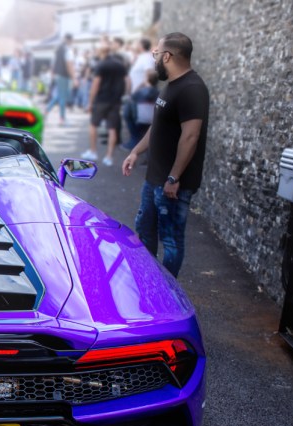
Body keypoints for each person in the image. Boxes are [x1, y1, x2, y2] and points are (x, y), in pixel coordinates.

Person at [121, 32, 210, 278]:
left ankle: (166, 291)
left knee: (171, 240)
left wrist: (174, 176)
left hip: (172, 184)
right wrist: (136, 151)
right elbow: (158, 126)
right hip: (155, 178)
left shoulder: (193, 89)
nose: (154, 59)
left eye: (156, 54)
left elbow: (191, 136)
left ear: (167, 56)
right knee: (145, 229)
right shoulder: (171, 85)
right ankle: (150, 280)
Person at [81, 43, 128, 166]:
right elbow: (128, 81)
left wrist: (90, 102)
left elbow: (95, 84)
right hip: (115, 100)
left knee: (93, 125)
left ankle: (93, 151)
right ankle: (109, 157)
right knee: (112, 129)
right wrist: (124, 94)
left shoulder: (100, 65)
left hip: (101, 99)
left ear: (101, 52)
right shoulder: (119, 65)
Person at [44, 33, 76, 124]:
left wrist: (53, 73)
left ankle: (46, 111)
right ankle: (62, 119)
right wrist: (74, 78)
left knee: (59, 96)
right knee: (63, 97)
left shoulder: (59, 49)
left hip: (58, 75)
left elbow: (54, 63)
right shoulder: (67, 50)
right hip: (65, 75)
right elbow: (69, 64)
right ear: (70, 40)